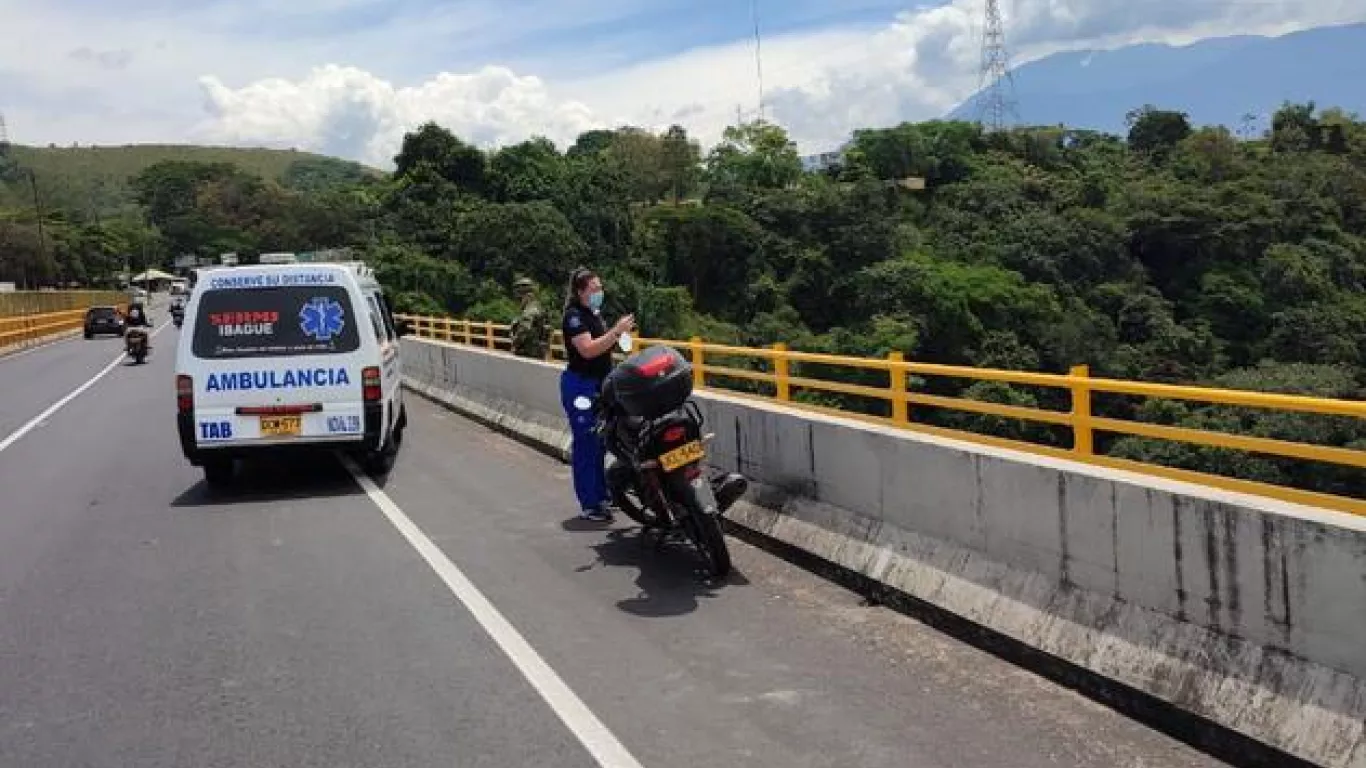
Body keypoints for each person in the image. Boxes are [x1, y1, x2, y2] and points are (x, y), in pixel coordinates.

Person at [560, 267, 634, 522]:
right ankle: (590, 503)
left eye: (600, 288)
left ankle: (602, 494)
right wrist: (615, 331)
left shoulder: (594, 313)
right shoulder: (574, 317)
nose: (598, 293)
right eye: (594, 289)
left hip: (601, 384)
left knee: (603, 442)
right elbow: (588, 350)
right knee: (586, 444)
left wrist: (620, 337)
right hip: (581, 386)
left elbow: (605, 344)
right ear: (581, 291)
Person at [509, 277, 550, 359]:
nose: (519, 302)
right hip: (539, 352)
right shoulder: (539, 307)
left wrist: (515, 344)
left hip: (527, 353)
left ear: (526, 296)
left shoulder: (529, 311)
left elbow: (524, 330)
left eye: (520, 299)